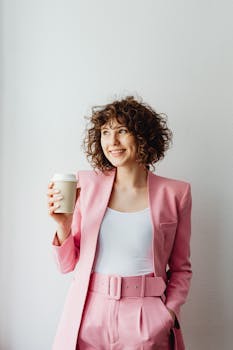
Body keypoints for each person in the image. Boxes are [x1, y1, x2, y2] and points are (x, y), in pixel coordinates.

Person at [47, 96, 192, 350]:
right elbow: (67, 265)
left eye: (122, 131)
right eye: (105, 132)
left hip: (145, 316)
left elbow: (181, 268)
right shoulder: (86, 185)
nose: (111, 142)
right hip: (88, 312)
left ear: (143, 136)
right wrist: (64, 225)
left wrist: (167, 313)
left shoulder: (176, 193)